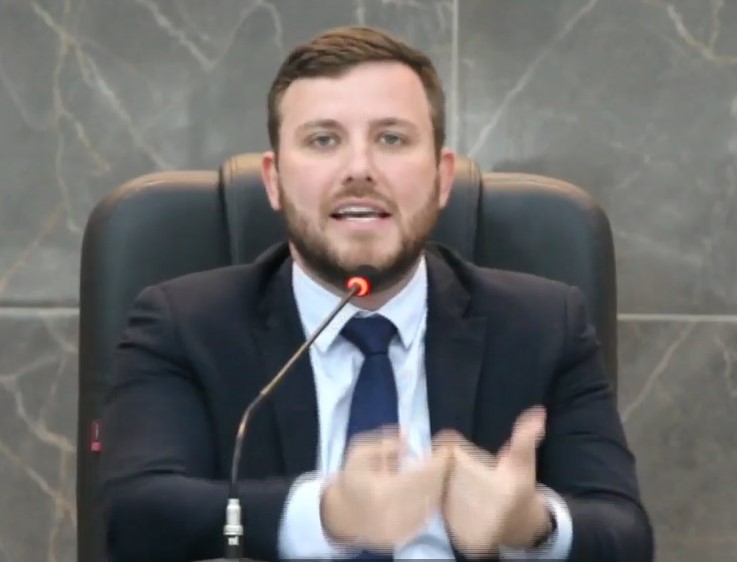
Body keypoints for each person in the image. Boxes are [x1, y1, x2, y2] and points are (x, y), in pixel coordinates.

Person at [100, 25, 654, 562]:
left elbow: (625, 534)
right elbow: (136, 517)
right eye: (323, 140)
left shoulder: (545, 325)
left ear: (442, 178)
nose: (359, 169)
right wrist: (328, 514)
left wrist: (531, 525)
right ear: (274, 180)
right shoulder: (182, 325)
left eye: (392, 138)